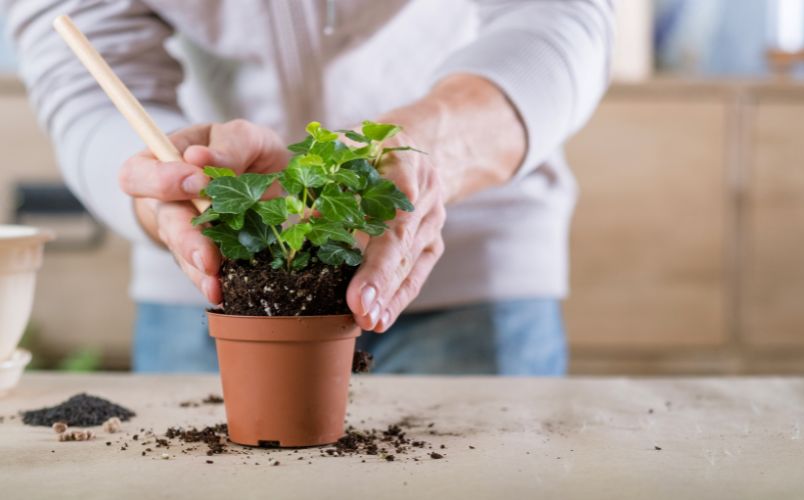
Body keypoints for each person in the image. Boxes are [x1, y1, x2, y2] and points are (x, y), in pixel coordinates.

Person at [3, 0, 613, 374]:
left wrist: (430, 147)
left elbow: (559, 18)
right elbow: (87, 65)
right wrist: (163, 190)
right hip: (208, 285)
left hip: (474, 262)